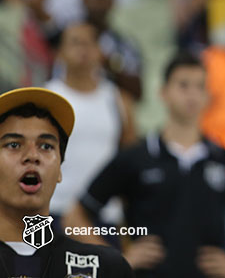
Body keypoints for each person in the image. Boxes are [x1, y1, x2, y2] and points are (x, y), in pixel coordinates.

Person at [63, 52, 225, 277]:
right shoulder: (136, 158)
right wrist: (115, 260)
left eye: (200, 86)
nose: (192, 94)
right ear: (163, 93)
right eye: (183, 85)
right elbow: (74, 218)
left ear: (208, 96)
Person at [0, 86, 133, 276]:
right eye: (14, 145)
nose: (32, 156)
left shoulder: (106, 267)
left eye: (46, 146)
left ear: (60, 170)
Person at [45, 22, 136, 224]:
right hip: (55, 209)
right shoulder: (46, 98)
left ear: (99, 52)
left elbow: (130, 159)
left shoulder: (118, 99)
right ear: (59, 53)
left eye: (90, 43)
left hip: (104, 213)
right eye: (75, 43)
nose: (83, 49)